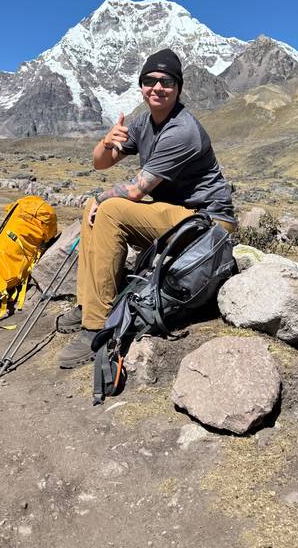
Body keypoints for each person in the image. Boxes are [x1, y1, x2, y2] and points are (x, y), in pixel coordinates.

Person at [58, 48, 237, 369]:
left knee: (109, 208)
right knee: (91, 205)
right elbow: (101, 164)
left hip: (208, 225)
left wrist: (103, 199)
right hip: (177, 215)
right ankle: (87, 304)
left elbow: (137, 191)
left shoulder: (182, 131)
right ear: (141, 85)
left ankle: (97, 326)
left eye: (166, 81)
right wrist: (106, 141)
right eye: (149, 80)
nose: (158, 87)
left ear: (178, 88)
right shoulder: (144, 123)